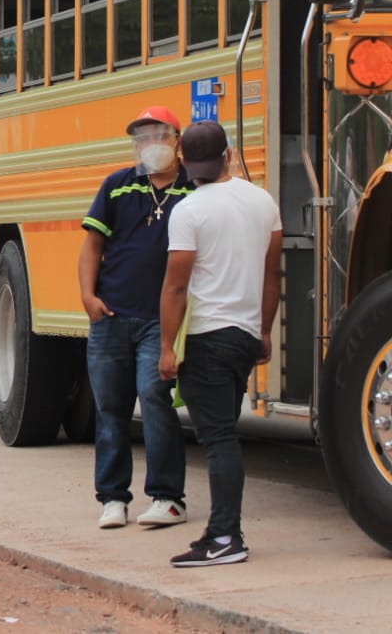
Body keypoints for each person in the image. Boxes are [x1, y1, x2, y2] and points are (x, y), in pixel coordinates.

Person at [159, 120, 282, 567]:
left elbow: (175, 287)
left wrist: (167, 347)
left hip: (207, 337)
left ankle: (226, 537)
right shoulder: (263, 201)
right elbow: (272, 275)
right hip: (244, 337)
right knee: (223, 433)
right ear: (228, 155)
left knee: (219, 440)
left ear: (183, 162)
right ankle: (220, 533)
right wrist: (264, 331)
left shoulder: (188, 211)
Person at [78, 107, 193, 530]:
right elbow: (92, 245)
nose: (150, 145)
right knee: (110, 408)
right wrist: (88, 297)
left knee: (155, 398)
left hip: (160, 321)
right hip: (111, 316)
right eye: (141, 137)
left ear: (176, 140)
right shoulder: (118, 185)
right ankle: (112, 498)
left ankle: (167, 497)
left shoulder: (192, 189)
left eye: (158, 136)